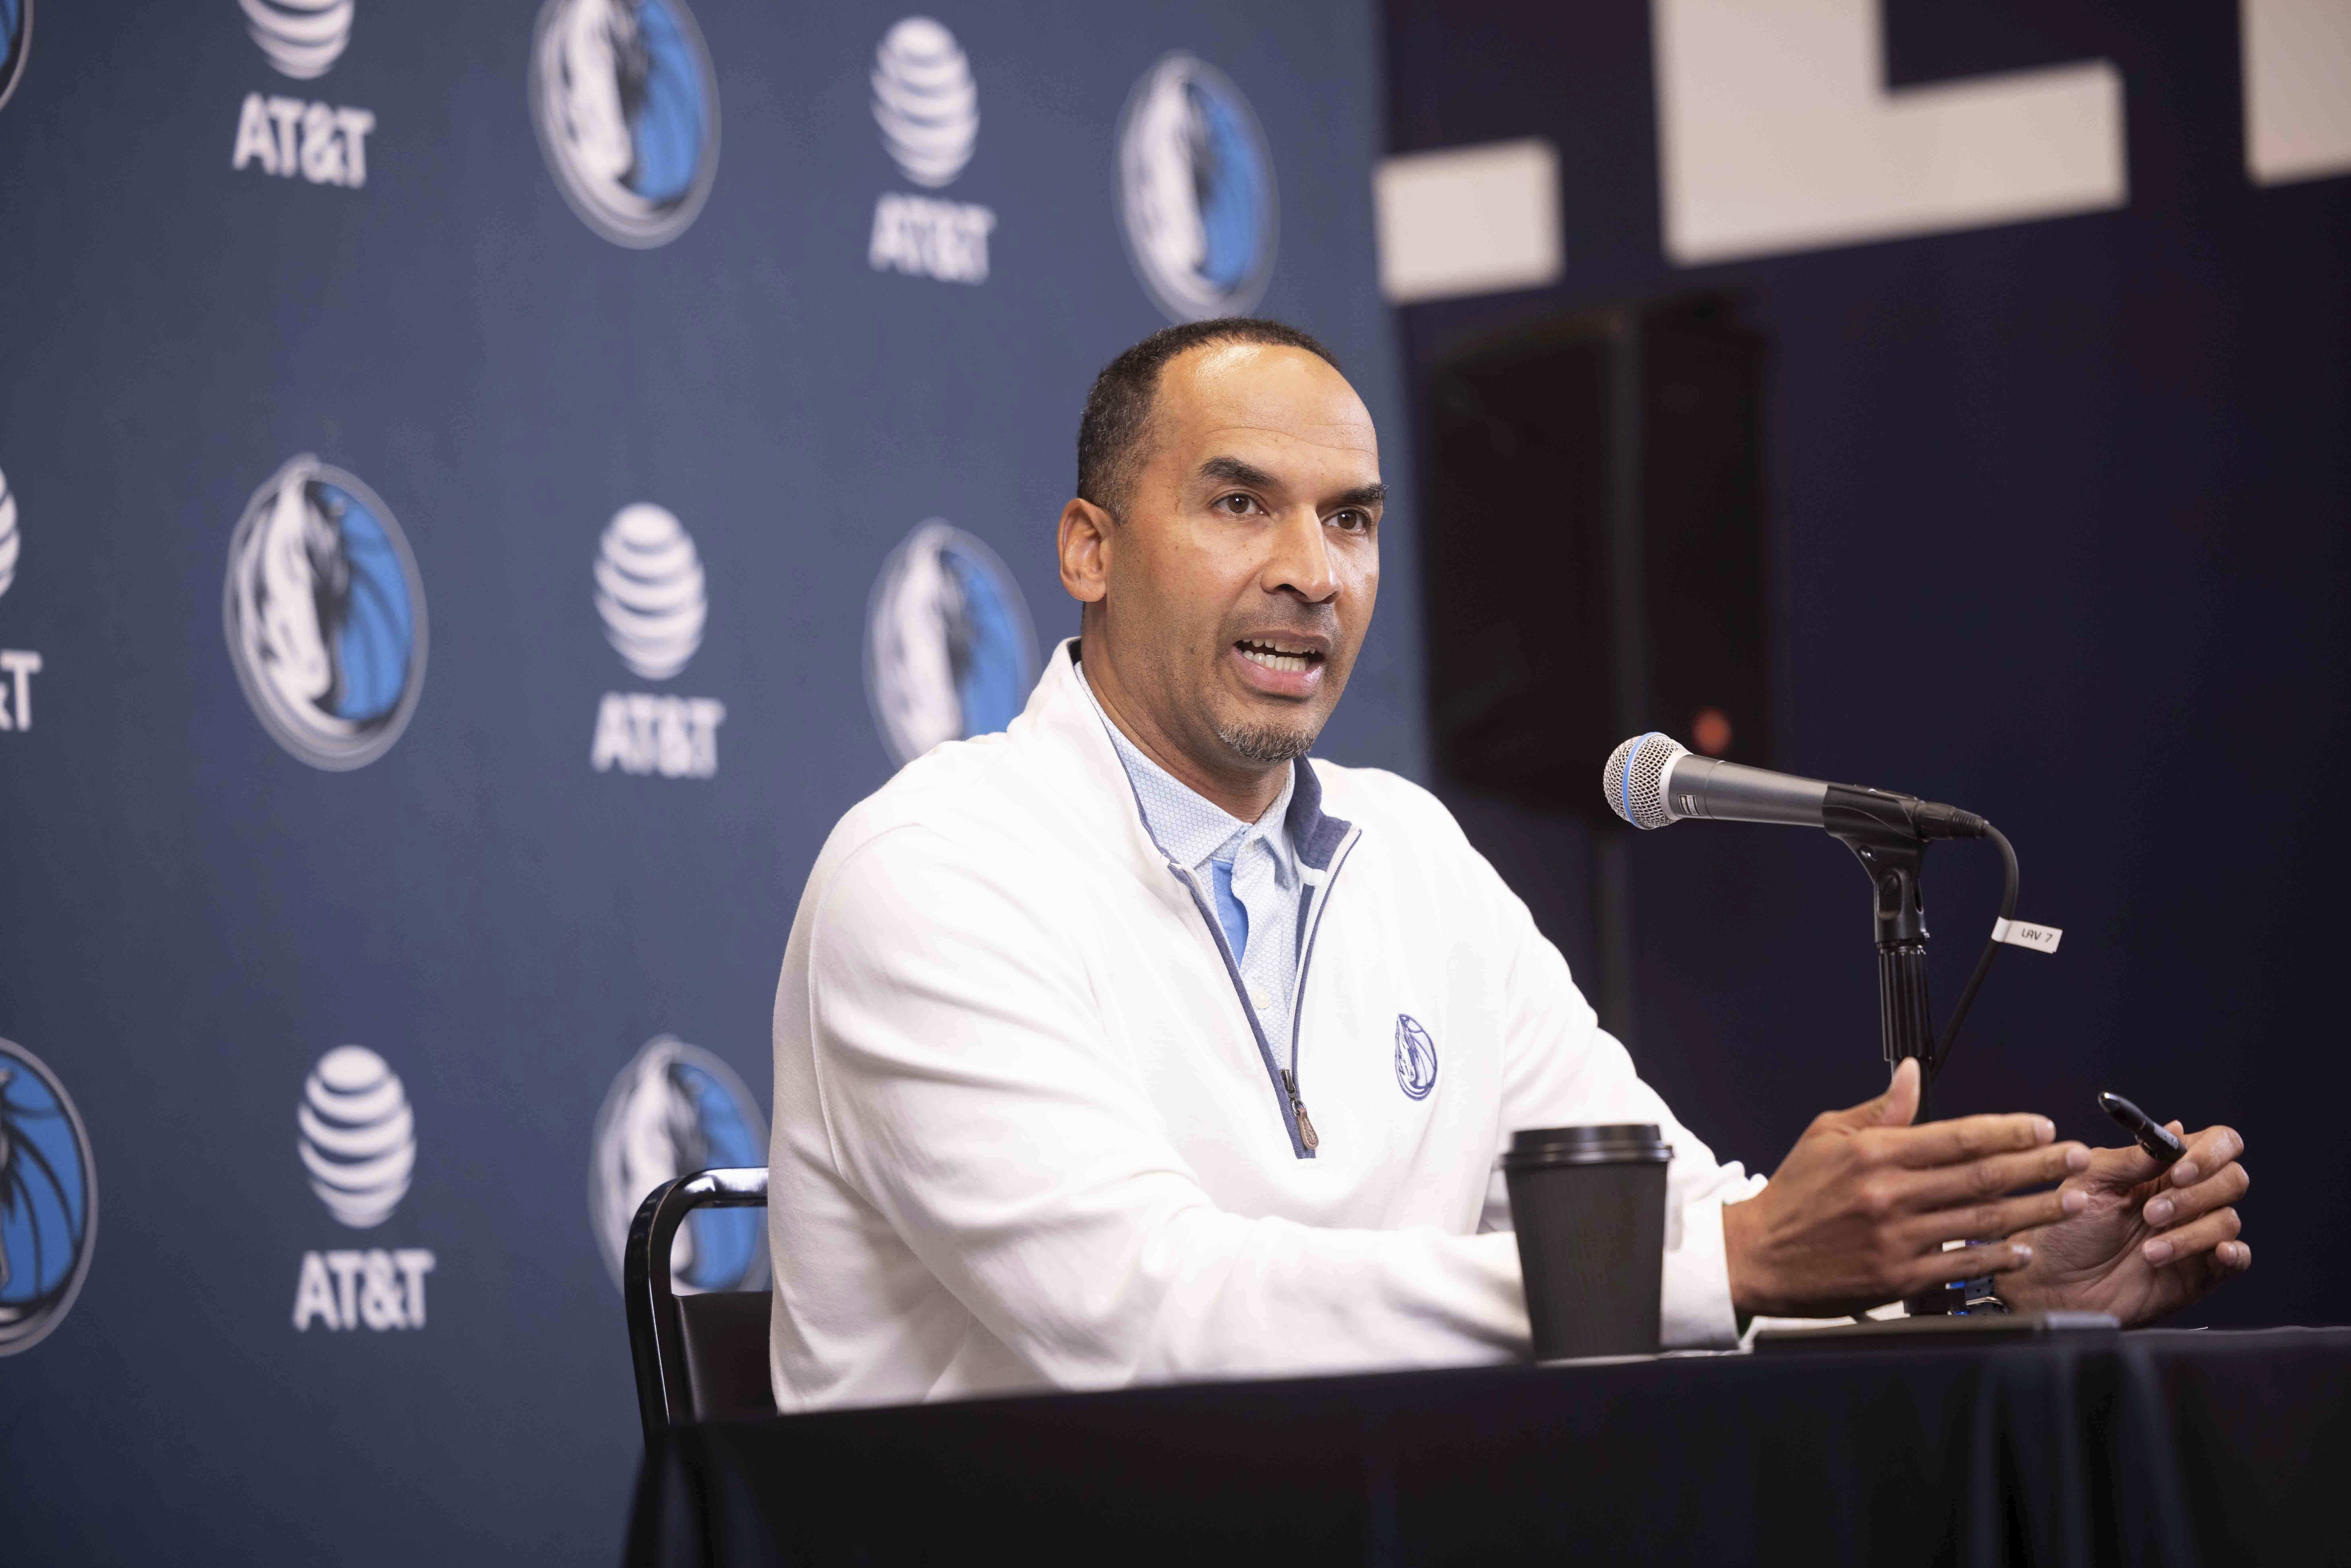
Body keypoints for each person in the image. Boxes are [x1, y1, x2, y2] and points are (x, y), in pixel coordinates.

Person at [766, 319, 2251, 1409]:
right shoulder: (934, 871)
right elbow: (1145, 1319)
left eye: (1352, 519)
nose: (1313, 567)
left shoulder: (1408, 851)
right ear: (1088, 550)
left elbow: (1658, 1227)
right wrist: (1735, 1256)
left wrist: (1974, 1288)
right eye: (1240, 503)